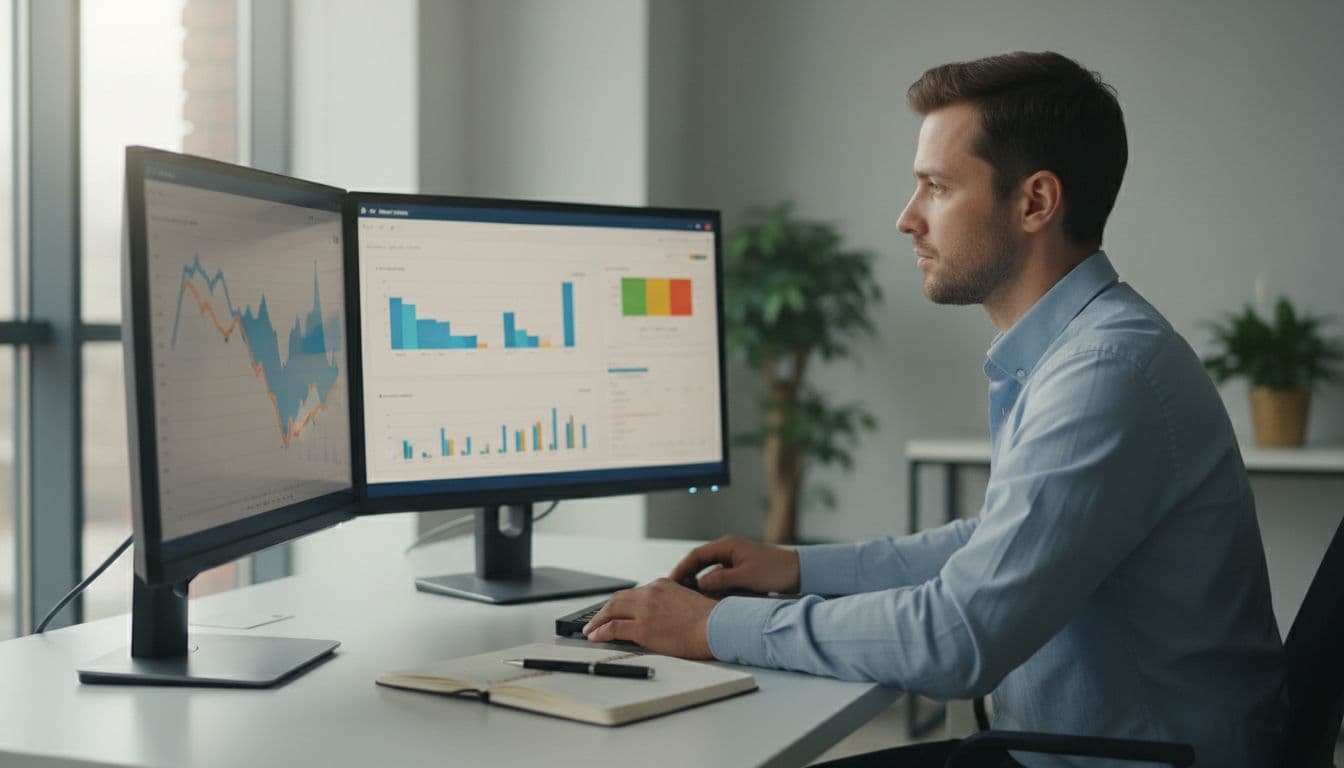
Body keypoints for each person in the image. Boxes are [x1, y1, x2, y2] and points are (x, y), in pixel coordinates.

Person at [582, 51, 1286, 767]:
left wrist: (715, 626)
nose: (906, 218)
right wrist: (797, 568)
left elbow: (958, 638)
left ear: (1036, 202)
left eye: (937, 188)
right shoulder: (1081, 350)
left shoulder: (1105, 374)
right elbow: (992, 548)